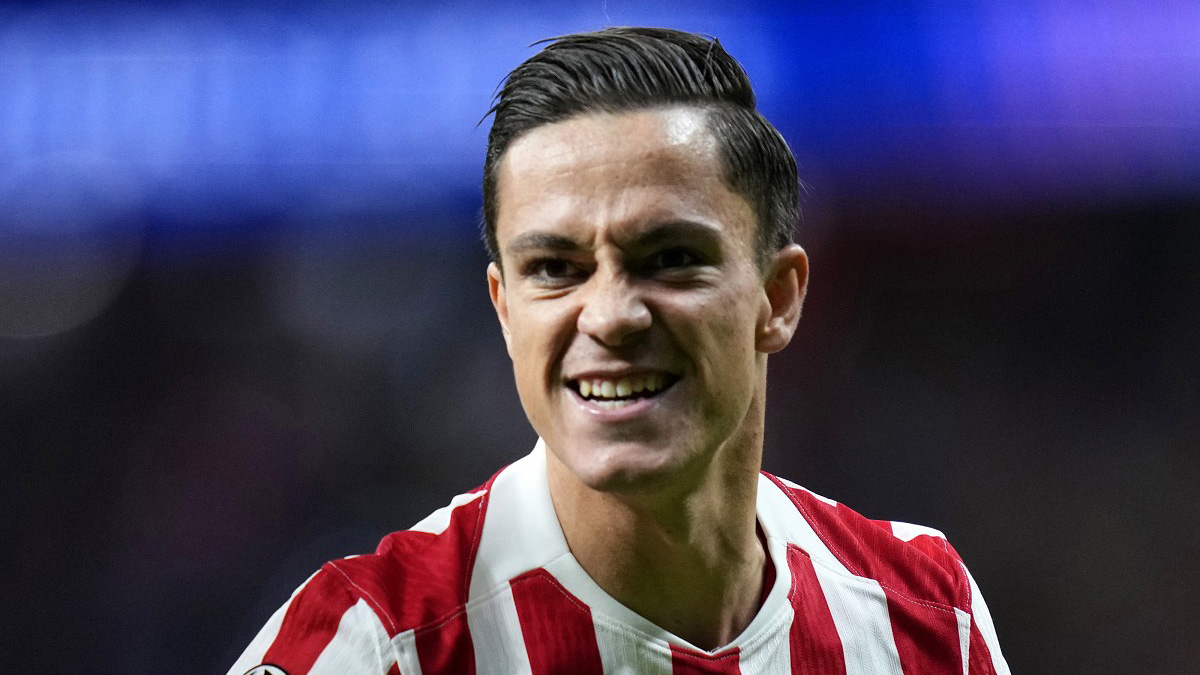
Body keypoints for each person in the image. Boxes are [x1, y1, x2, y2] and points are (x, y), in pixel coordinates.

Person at [228, 27, 1009, 675]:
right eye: (554, 268)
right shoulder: (374, 646)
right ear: (504, 310)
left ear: (778, 298)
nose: (609, 315)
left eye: (670, 258)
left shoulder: (924, 615)